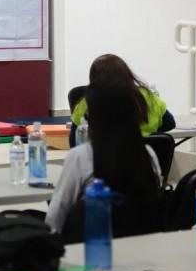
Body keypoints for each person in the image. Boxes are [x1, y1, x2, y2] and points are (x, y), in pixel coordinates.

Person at [47, 81, 163, 237]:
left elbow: (58, 212)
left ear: (91, 118)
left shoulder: (80, 156)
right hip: (140, 240)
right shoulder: (148, 153)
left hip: (90, 242)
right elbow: (153, 202)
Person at [69, 54, 175, 146]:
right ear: (127, 74)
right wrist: (148, 133)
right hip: (146, 160)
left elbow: (74, 142)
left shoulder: (87, 103)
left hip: (102, 162)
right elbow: (169, 124)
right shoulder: (149, 97)